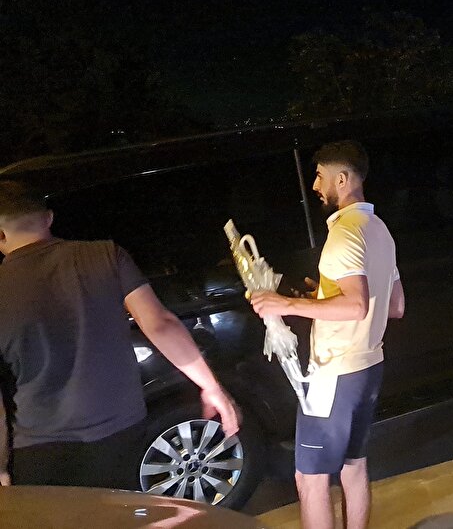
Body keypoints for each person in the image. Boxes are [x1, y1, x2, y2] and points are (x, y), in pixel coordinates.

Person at [0, 181, 239, 489]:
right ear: (48, 218)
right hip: (122, 433)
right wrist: (212, 387)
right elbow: (160, 324)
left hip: (39, 447)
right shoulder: (106, 256)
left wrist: (1, 465)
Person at [250, 141, 403, 529]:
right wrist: (320, 297)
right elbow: (395, 305)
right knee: (353, 466)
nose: (316, 185)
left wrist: (284, 304)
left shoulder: (344, 234)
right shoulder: (379, 230)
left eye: (319, 176)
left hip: (335, 372)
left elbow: (355, 306)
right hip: (369, 366)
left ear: (342, 178)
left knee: (311, 478)